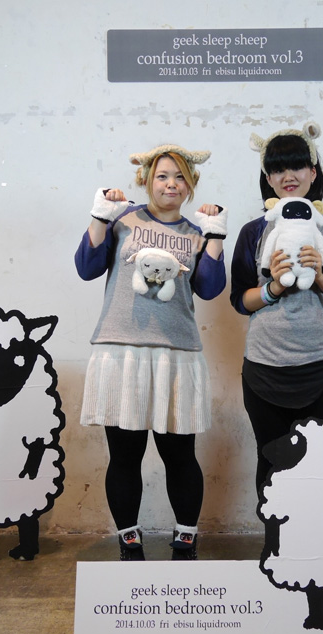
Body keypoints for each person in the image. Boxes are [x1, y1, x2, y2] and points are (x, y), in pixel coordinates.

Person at [75, 144, 227, 560]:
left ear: (190, 185)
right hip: (120, 351)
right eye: (162, 176)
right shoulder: (123, 219)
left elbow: (210, 288)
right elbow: (87, 267)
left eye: (180, 177)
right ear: (146, 180)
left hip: (176, 354)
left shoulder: (196, 233)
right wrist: (99, 215)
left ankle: (186, 539)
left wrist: (215, 234)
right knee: (125, 456)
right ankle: (130, 541)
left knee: (180, 456)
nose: (171, 184)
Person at [230, 122, 323, 492]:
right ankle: (275, 530)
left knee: (319, 463)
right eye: (277, 169)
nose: (288, 176)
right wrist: (273, 287)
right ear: (268, 179)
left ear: (313, 172)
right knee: (271, 461)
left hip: (322, 367)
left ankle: (318, 530)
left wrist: (319, 275)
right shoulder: (254, 231)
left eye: (296, 166)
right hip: (264, 370)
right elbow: (240, 300)